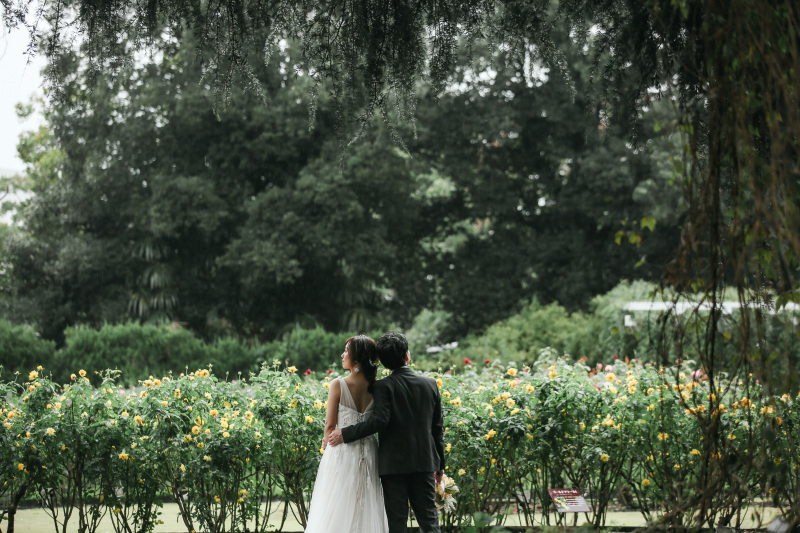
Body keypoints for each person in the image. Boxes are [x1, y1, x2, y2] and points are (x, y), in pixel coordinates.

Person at [328, 331, 445, 533]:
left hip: (393, 467)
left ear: (382, 361)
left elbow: (379, 421)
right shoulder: (430, 384)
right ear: (407, 356)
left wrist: (345, 433)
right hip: (424, 463)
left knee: (396, 524)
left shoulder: (383, 386)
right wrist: (440, 464)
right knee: (430, 522)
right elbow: (437, 428)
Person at [304, 335, 389, 533]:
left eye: (346, 351)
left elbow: (329, 424)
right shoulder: (377, 387)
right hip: (370, 450)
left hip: (340, 450)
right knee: (366, 501)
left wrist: (325, 445)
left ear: (357, 358)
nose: (342, 355)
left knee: (336, 502)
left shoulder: (338, 384)